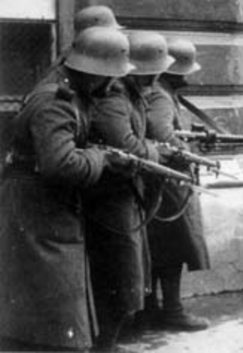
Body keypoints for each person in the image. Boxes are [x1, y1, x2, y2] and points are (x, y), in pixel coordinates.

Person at [0, 26, 135, 352]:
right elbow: (60, 165)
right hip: (38, 211)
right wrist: (100, 156)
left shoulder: (68, 93)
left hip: (40, 206)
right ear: (94, 73)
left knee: (47, 304)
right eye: (109, 77)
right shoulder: (56, 103)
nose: (111, 85)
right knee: (55, 303)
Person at [83, 30, 175, 351]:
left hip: (124, 194)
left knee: (128, 276)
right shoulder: (115, 97)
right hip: (110, 198)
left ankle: (109, 341)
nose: (158, 75)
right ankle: (104, 345)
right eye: (154, 69)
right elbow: (124, 145)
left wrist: (150, 149)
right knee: (121, 277)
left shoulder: (132, 95)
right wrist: (155, 152)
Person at [141, 38, 210, 332]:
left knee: (162, 248)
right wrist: (187, 149)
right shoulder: (160, 95)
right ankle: (172, 310)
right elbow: (162, 135)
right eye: (183, 70)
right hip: (167, 181)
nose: (187, 76)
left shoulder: (161, 91)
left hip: (161, 179)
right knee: (174, 247)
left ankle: (153, 309)